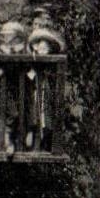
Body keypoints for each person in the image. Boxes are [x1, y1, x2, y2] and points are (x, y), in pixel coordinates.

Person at [23, 15, 65, 150]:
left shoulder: (44, 44)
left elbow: (44, 59)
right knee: (32, 106)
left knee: (42, 108)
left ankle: (40, 141)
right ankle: (32, 138)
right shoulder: (32, 45)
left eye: (38, 25)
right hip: (32, 79)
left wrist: (37, 55)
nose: (35, 27)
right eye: (34, 24)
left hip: (41, 80)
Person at [0, 21, 26, 153]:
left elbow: (22, 66)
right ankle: (8, 143)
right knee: (12, 113)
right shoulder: (1, 49)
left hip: (17, 87)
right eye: (5, 35)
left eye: (10, 35)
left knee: (20, 114)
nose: (6, 37)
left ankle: (15, 141)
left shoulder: (21, 50)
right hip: (3, 87)